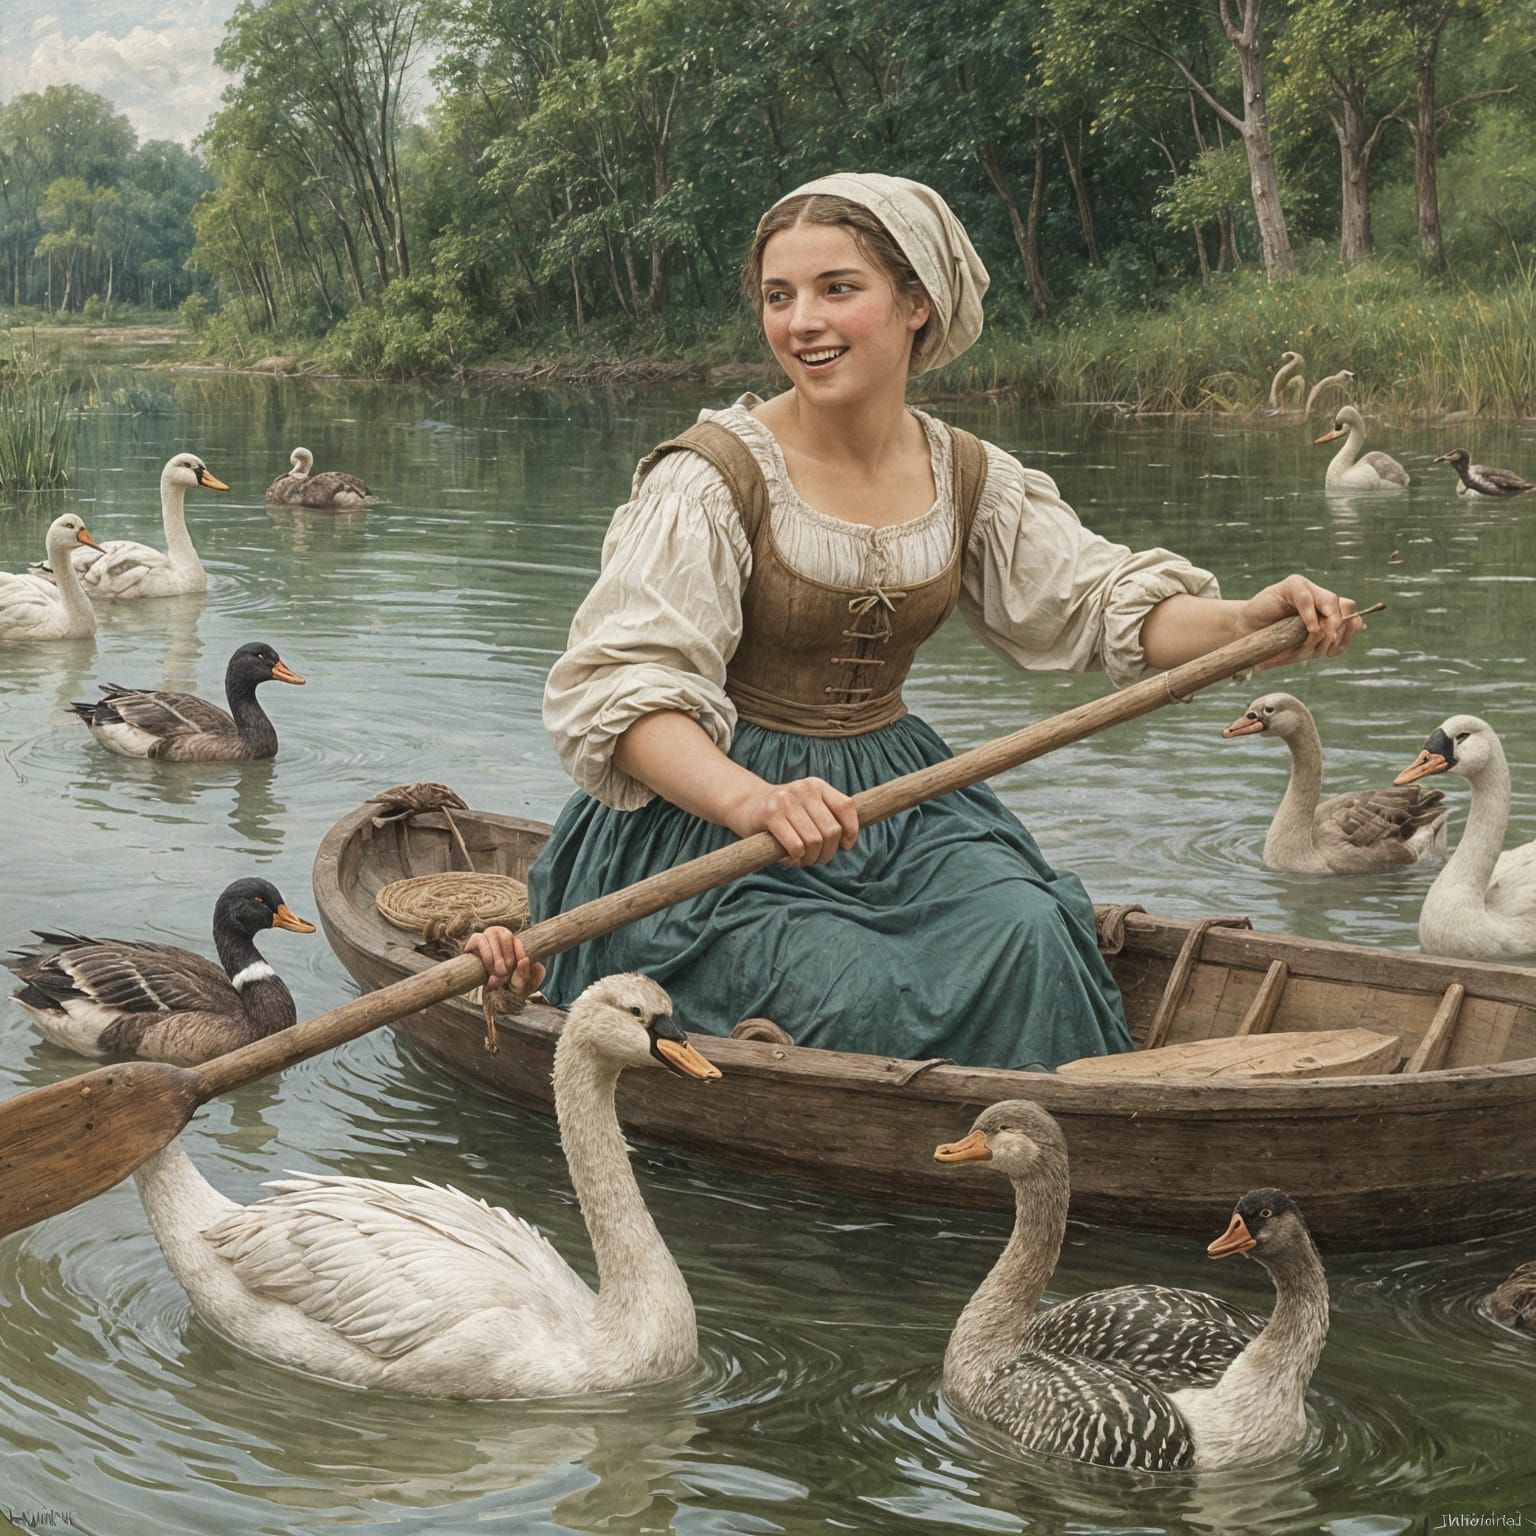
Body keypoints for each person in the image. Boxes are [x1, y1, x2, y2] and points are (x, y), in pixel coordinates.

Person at [469, 172, 1361, 1068]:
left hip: (897, 802)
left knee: (1031, 933)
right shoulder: (709, 479)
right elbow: (624, 693)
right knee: (861, 985)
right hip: (705, 822)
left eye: (837, 289)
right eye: (780, 297)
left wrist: (1247, 617)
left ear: (917, 305)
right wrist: (757, 799)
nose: (801, 323)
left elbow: (1095, 603)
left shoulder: (967, 473)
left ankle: (1049, 1149)